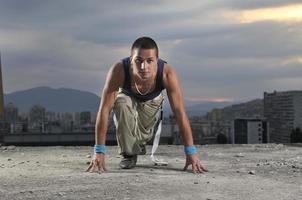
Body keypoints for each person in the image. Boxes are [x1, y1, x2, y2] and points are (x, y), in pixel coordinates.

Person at [86, 37, 207, 173]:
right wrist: (99, 151)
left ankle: (140, 142)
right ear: (131, 59)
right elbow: (104, 110)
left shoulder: (167, 73)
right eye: (139, 61)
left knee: (142, 136)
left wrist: (191, 152)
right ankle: (129, 154)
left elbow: (179, 112)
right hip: (126, 98)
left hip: (152, 104)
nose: (144, 67)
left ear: (157, 60)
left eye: (150, 61)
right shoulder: (119, 70)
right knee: (121, 102)